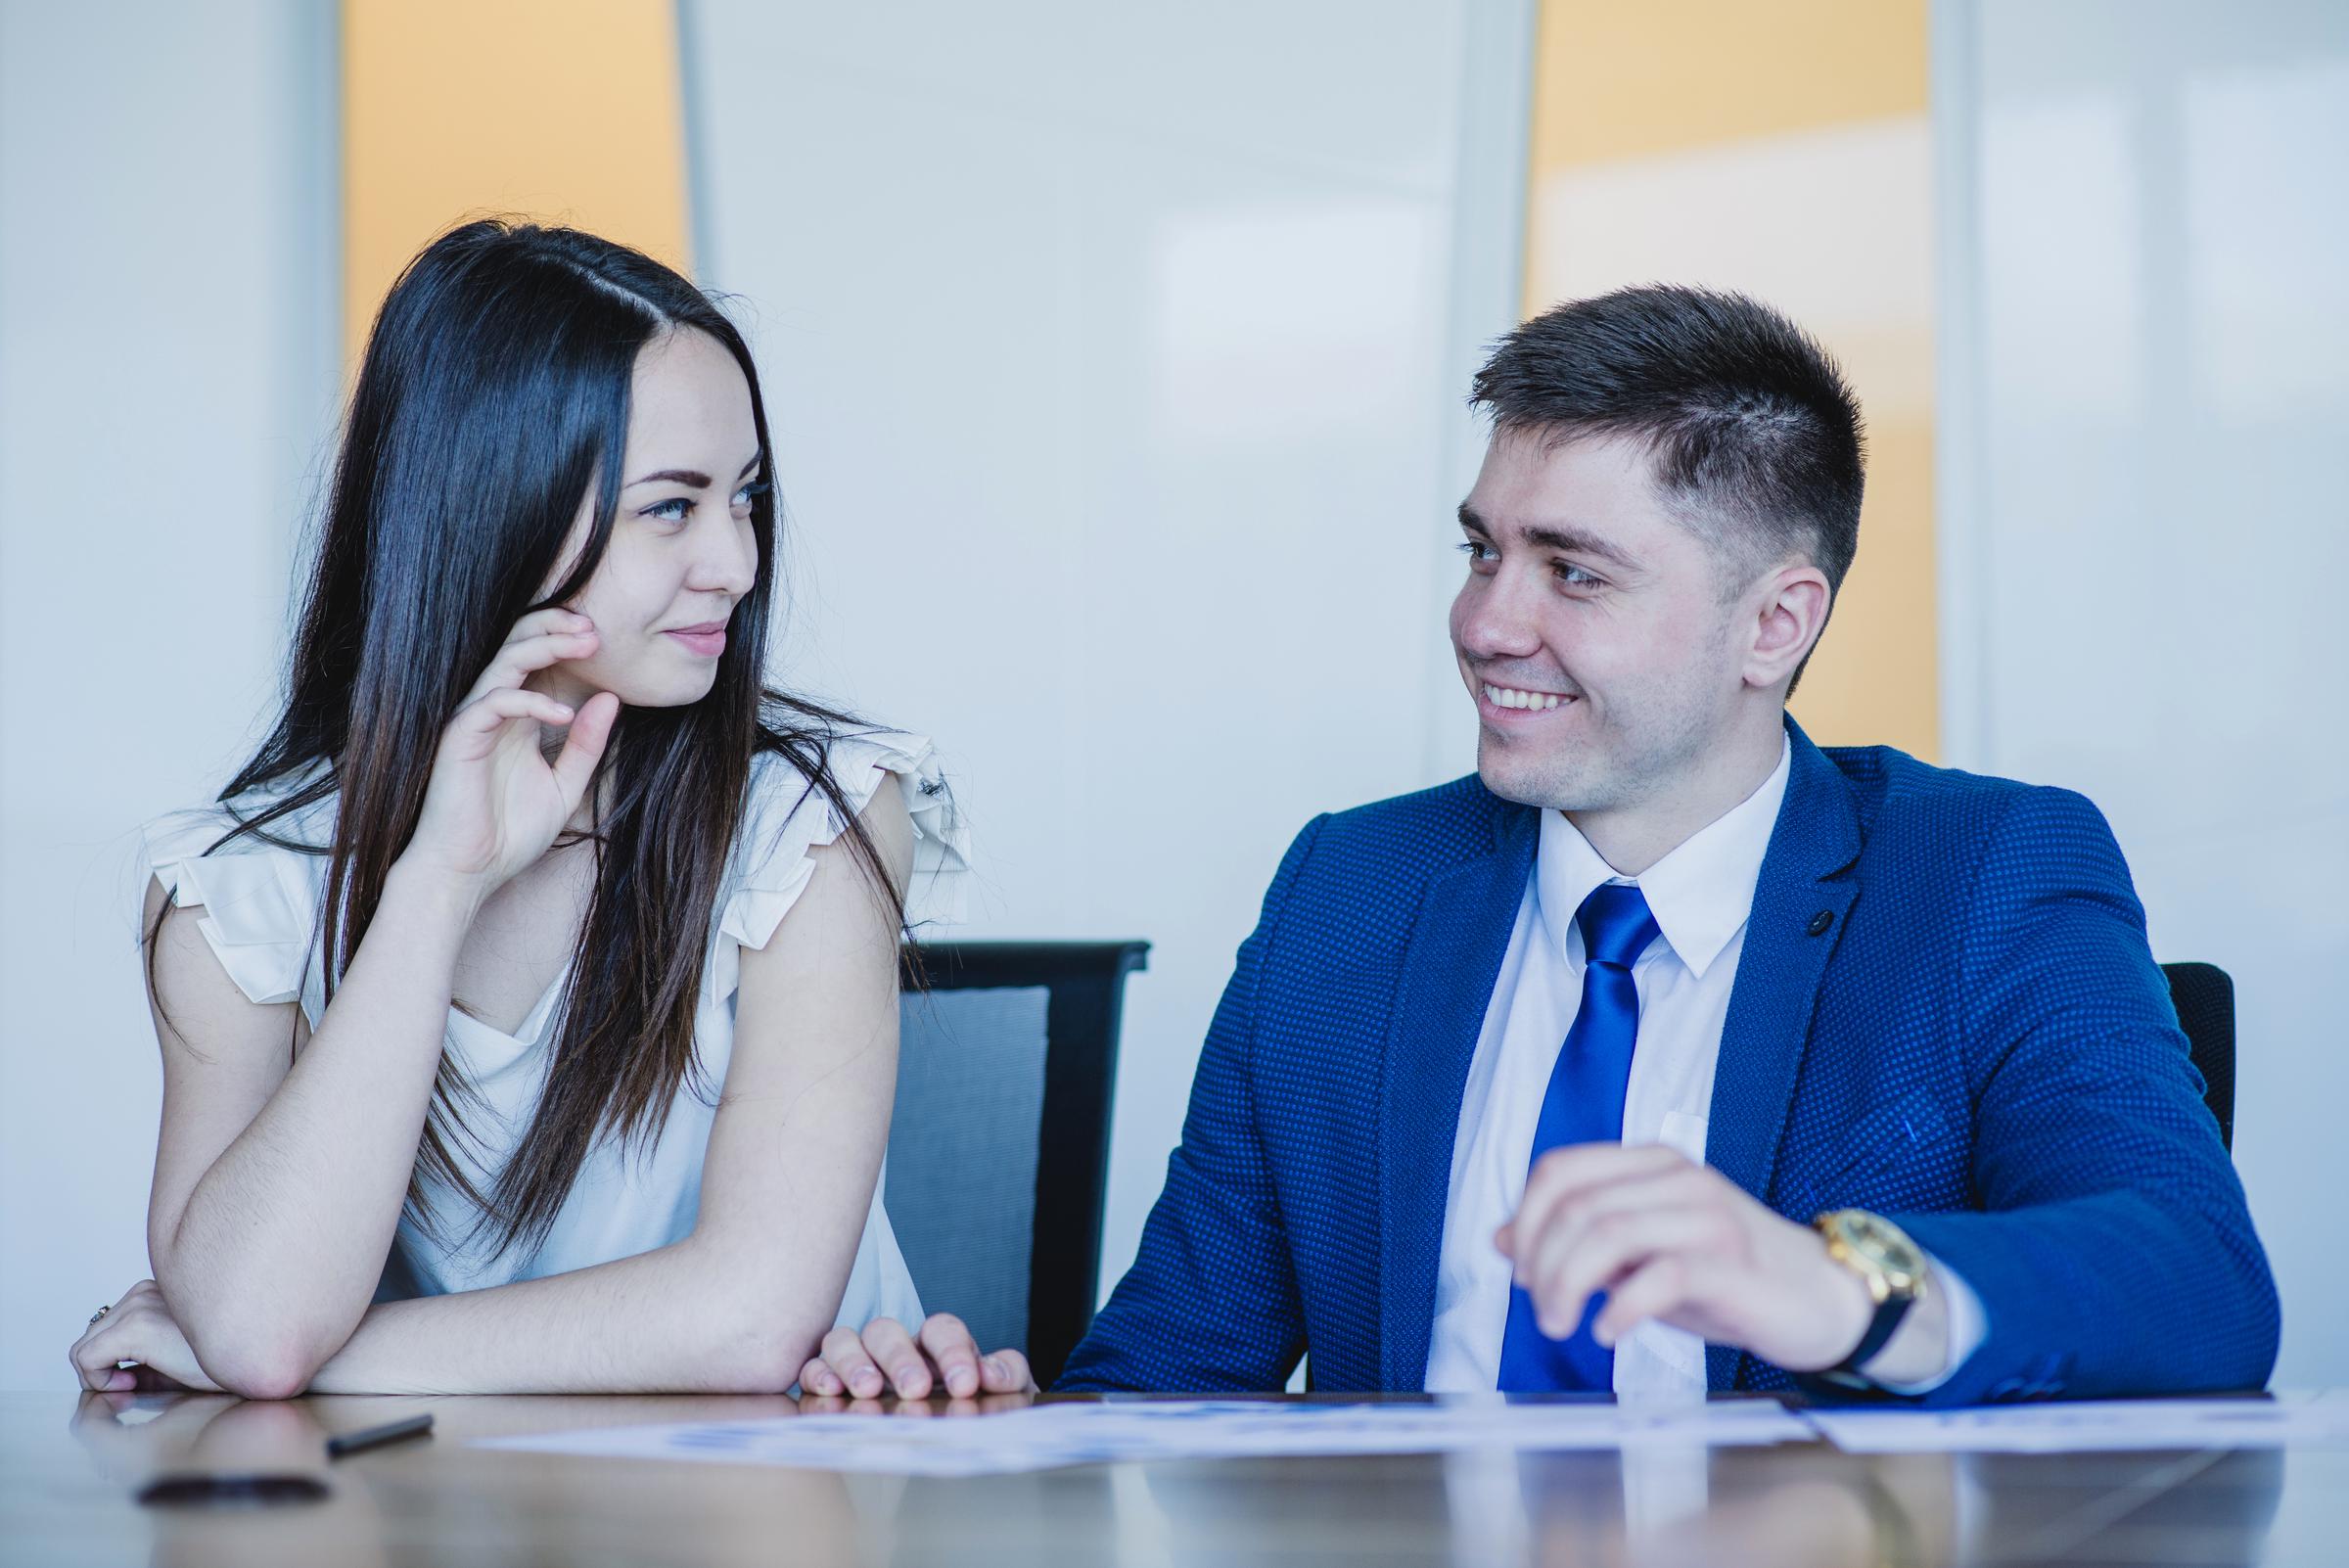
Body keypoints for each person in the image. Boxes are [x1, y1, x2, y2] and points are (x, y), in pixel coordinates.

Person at [820, 286, 2279, 1405]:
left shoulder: (1984, 877)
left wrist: (1833, 1282)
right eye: (1482, 549)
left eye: (1572, 571)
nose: (1485, 624)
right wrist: (987, 1433)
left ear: (1776, 622)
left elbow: (2200, 1285)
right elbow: (1172, 1372)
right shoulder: (1351, 892)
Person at [68, 221, 1029, 1401]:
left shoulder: (814, 814)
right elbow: (264, 1323)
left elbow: (749, 1320)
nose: (735, 560)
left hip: (778, 1504)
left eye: (747, 497)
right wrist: (439, 878)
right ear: (494, 512)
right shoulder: (238, 887)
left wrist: (315, 1363)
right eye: (671, 508)